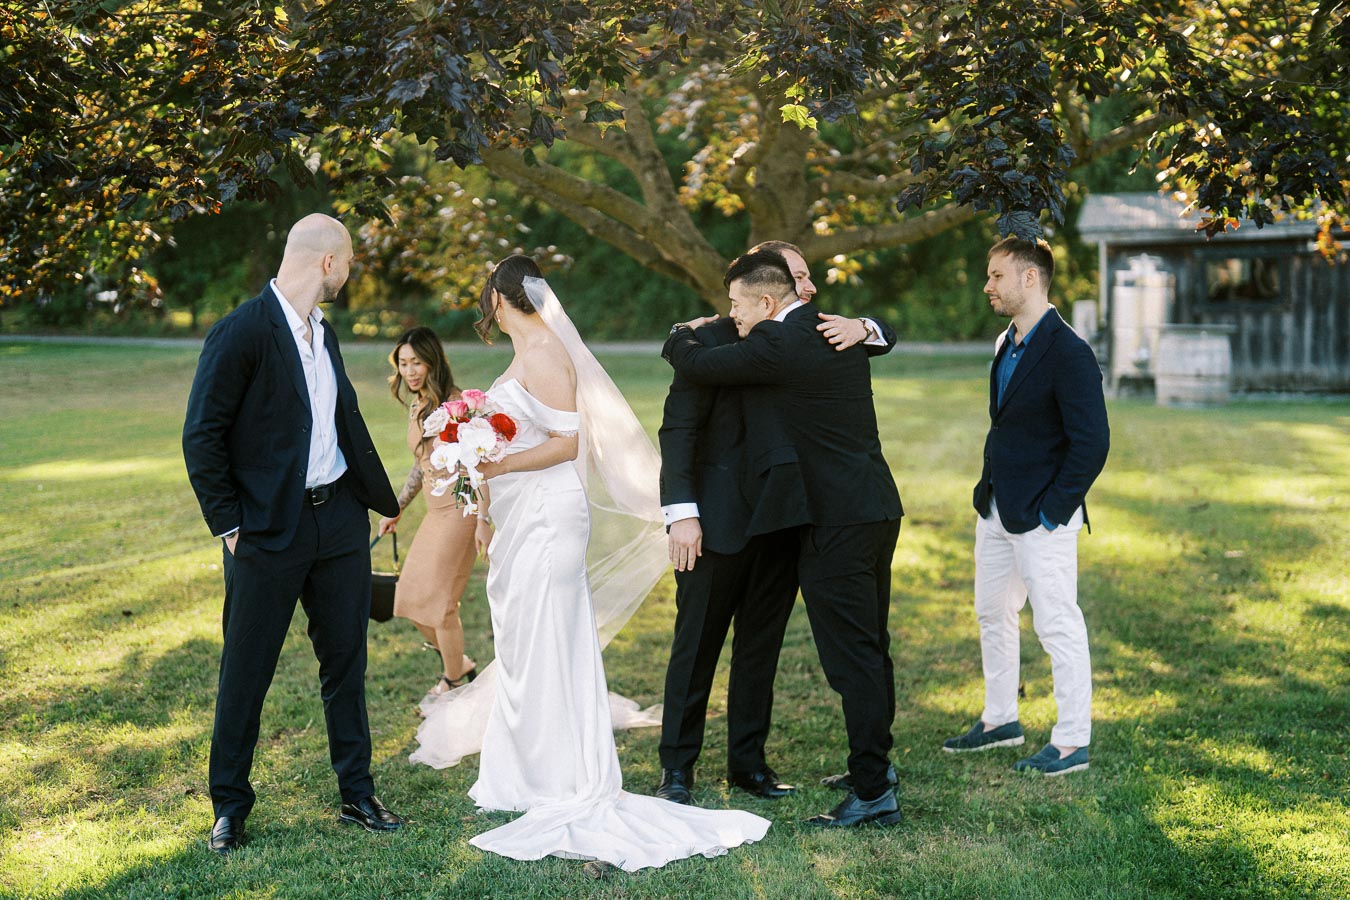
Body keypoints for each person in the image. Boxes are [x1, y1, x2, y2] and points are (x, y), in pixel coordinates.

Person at [412, 255, 769, 871]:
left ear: (499, 300)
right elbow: (518, 435)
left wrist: (490, 466)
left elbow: (567, 444)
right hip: (525, 516)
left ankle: (557, 774)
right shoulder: (529, 355)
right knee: (525, 638)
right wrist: (486, 498)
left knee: (548, 637)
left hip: (551, 516)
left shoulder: (547, 353)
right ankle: (526, 767)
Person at [182, 213, 404, 856]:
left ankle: (357, 795)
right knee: (246, 671)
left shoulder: (323, 335)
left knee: (346, 663)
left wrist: (372, 498)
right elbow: (203, 435)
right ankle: (229, 806)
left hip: (337, 522)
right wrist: (228, 524)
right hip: (264, 533)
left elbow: (337, 420)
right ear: (327, 263)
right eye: (350, 260)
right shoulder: (240, 332)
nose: (352, 270)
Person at [664, 250, 904, 828]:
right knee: (868, 649)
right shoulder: (840, 335)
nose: (812, 284)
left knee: (853, 659)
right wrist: (681, 509)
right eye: (800, 274)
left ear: (765, 301)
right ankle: (876, 774)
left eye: (738, 304)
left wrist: (676, 338)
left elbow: (697, 366)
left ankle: (873, 788)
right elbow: (682, 422)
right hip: (862, 507)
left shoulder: (789, 337)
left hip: (826, 518)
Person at [942, 236, 1109, 775]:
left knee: (1057, 622)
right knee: (993, 612)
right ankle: (1000, 720)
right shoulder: (1004, 342)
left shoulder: (1070, 352)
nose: (987, 285)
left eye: (996, 275)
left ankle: (1071, 742)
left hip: (1042, 517)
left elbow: (1092, 443)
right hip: (994, 507)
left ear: (1029, 279)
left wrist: (1053, 512)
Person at [376, 327, 479, 705]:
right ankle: (460, 666)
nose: (410, 371)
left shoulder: (458, 405)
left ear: (432, 360)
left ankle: (453, 683)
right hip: (434, 514)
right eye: (403, 364)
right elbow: (421, 465)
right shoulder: (417, 405)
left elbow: (473, 466)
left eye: (416, 362)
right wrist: (397, 508)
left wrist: (476, 516)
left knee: (440, 604)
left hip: (460, 509)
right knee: (408, 599)